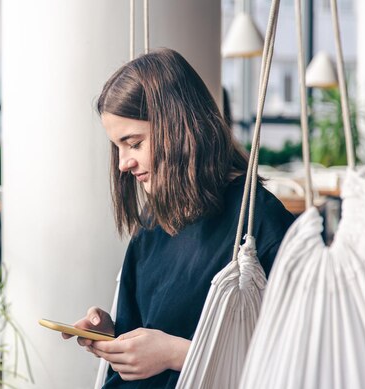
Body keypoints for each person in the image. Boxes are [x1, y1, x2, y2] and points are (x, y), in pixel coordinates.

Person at [61, 48, 296, 388]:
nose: (122, 164)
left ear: (178, 127)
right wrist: (114, 338)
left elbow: (290, 359)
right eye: (118, 148)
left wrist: (177, 353)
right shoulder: (153, 223)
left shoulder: (260, 225)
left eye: (134, 143)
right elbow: (147, 327)